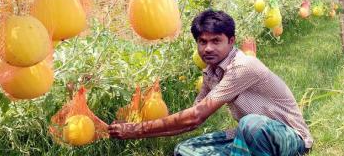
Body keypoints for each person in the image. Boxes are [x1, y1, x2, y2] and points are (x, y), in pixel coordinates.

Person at [109, 9, 313, 155]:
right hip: (247, 136)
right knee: (185, 150)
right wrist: (134, 131)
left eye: (216, 41)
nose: (207, 48)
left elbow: (195, 117)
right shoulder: (212, 72)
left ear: (231, 41)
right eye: (202, 41)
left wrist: (135, 130)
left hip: (289, 138)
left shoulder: (243, 66)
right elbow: (190, 121)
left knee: (251, 123)